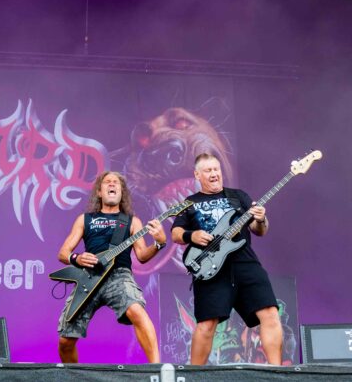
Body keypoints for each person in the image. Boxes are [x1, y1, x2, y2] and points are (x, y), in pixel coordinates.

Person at [171, 153, 282, 365]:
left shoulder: (238, 196)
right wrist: (192, 235)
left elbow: (259, 230)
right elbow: (175, 233)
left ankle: (279, 373)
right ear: (197, 175)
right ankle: (194, 376)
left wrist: (261, 219)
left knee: (270, 312)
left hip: (245, 262)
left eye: (216, 169)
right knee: (207, 324)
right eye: (208, 170)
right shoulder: (190, 202)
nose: (214, 174)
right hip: (209, 265)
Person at [57, 171, 167, 363]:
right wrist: (77, 258)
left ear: (121, 192)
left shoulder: (132, 221)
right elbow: (63, 253)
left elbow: (142, 256)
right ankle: (72, 376)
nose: (112, 184)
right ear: (99, 192)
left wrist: (159, 243)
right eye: (107, 182)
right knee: (65, 341)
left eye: (116, 183)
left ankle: (157, 368)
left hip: (119, 276)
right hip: (88, 278)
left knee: (137, 311)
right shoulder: (84, 219)